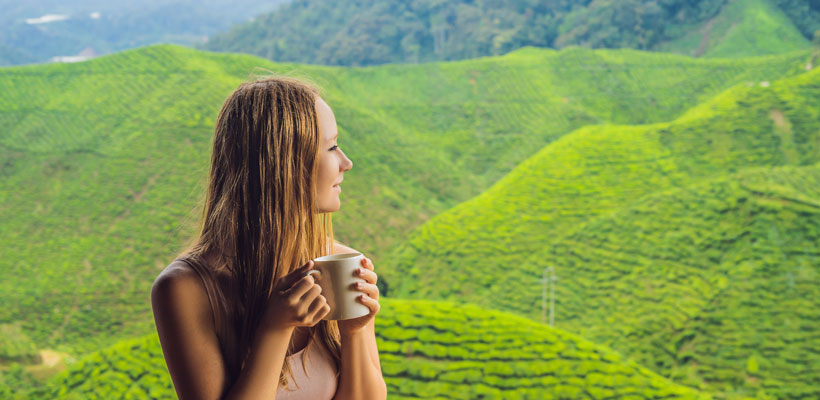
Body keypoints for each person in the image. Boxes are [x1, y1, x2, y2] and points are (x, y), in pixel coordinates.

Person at [151, 76, 387, 399]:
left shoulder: (342, 265)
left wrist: (355, 331)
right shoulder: (185, 290)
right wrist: (275, 329)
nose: (346, 162)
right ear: (285, 165)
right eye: (331, 147)